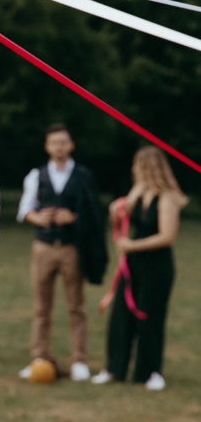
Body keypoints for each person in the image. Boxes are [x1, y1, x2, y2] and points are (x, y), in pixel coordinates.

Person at [92, 146, 187, 391]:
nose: (133, 169)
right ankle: (114, 368)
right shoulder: (139, 191)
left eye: (137, 165)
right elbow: (122, 215)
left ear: (147, 167)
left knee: (150, 317)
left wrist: (132, 245)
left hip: (157, 266)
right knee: (121, 314)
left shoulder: (168, 198)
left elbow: (167, 236)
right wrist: (116, 212)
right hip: (133, 265)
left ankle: (150, 372)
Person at [17, 123, 106, 381]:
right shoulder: (36, 175)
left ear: (71, 145)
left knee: (76, 306)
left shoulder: (83, 176)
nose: (59, 147)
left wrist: (73, 218)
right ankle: (39, 357)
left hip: (71, 249)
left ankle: (79, 361)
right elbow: (25, 210)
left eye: (64, 142)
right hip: (43, 246)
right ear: (47, 146)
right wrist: (39, 218)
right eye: (55, 142)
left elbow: (93, 213)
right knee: (41, 307)